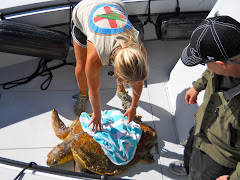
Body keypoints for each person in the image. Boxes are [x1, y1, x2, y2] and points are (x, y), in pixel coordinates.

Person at [169, 15, 240, 180]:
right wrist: (198, 85)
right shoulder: (233, 51)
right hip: (202, 128)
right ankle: (190, 169)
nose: (206, 67)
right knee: (191, 153)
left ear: (222, 64)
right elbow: (212, 71)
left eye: (204, 62)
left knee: (201, 174)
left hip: (220, 159)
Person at [71, 0, 149, 133]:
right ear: (116, 69)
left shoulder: (139, 51)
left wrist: (134, 107)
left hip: (114, 4)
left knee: (127, 70)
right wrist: (97, 114)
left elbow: (139, 80)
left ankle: (121, 91)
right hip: (84, 10)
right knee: (82, 66)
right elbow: (94, 89)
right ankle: (82, 95)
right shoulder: (96, 55)